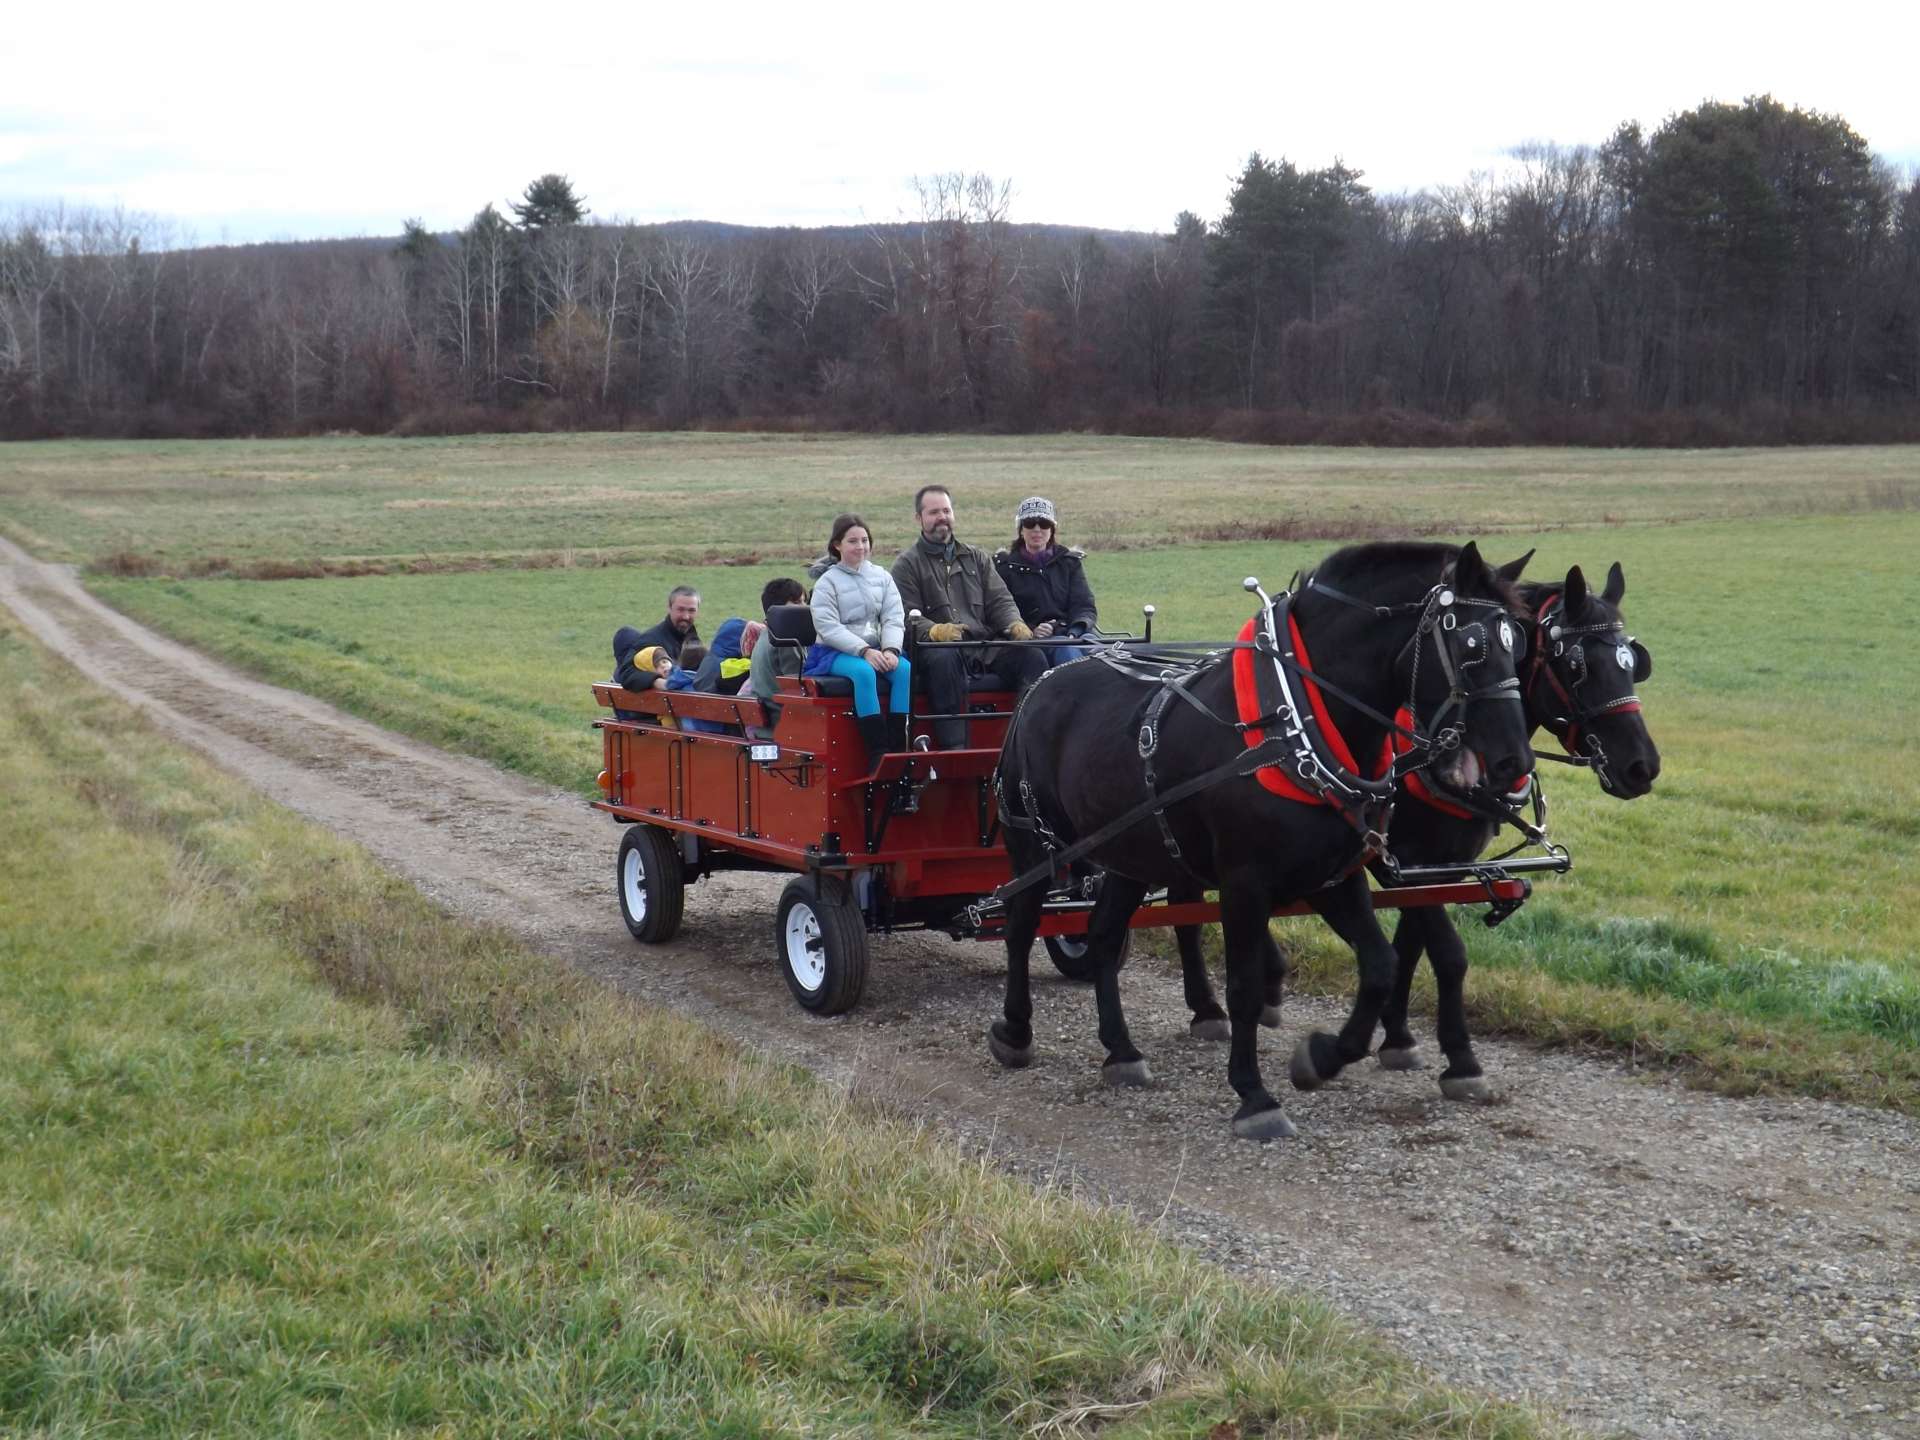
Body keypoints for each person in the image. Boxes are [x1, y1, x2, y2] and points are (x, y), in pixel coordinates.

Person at [890, 485, 1043, 750]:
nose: (942, 517)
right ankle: (956, 750)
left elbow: (1000, 600)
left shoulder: (977, 558)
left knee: (1032, 656)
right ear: (919, 518)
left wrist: (1014, 623)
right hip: (936, 650)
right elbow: (903, 615)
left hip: (982, 647)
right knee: (944, 660)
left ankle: (1026, 744)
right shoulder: (907, 564)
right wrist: (936, 631)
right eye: (934, 512)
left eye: (946, 511)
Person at [808, 514, 912, 772]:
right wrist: (863, 650)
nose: (860, 547)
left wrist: (890, 649)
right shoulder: (827, 582)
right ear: (837, 545)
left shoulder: (882, 577)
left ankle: (899, 747)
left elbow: (893, 616)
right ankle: (877, 751)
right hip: (834, 652)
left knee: (904, 670)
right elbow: (828, 627)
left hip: (877, 648)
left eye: (864, 540)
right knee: (864, 673)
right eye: (852, 541)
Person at [993, 495, 1098, 668]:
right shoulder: (1005, 568)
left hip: (1073, 632)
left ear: (1052, 529)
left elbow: (1084, 605)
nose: (1037, 530)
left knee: (1101, 652)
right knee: (1067, 651)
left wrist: (1075, 631)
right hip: (1033, 641)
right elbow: (999, 611)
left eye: (1044, 524)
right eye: (1029, 524)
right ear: (1020, 530)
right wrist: (1031, 629)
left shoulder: (1069, 563)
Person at [747, 577, 808, 732]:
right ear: (778, 608)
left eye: (804, 601)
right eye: (797, 602)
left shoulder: (767, 634)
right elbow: (797, 686)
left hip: (765, 719)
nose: (805, 607)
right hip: (782, 722)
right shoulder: (787, 638)